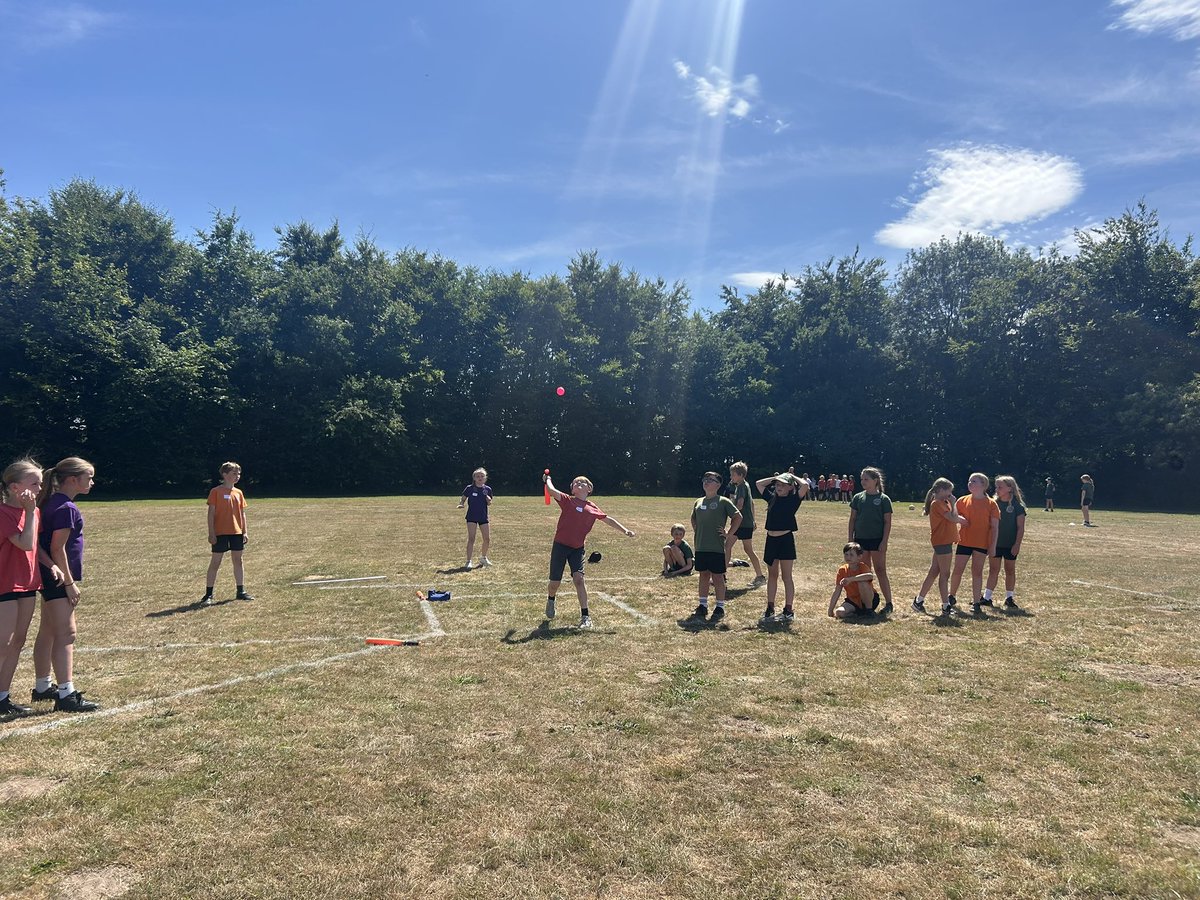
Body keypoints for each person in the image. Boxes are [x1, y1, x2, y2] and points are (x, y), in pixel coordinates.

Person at [31, 457, 100, 713]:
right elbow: (57, 548)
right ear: (73, 479)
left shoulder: (52, 502)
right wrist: (69, 583)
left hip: (48, 575)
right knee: (66, 633)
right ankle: (66, 694)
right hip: (58, 577)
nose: (92, 482)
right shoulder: (66, 507)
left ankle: (42, 686)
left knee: (48, 630)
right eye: (89, 477)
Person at [542, 473, 634, 628]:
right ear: (572, 489)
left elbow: (608, 520)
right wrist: (548, 480)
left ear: (589, 489)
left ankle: (585, 617)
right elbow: (551, 491)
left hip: (577, 548)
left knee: (579, 579)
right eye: (575, 482)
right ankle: (551, 598)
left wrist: (625, 530)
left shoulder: (592, 508)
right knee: (554, 583)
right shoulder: (567, 500)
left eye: (583, 482)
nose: (579, 483)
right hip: (560, 546)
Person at [0, 459, 43, 718]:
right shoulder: (4, 513)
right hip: (4, 584)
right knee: (3, 643)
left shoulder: (34, 512)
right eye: (34, 483)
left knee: (17, 642)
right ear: (15, 488)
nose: (39, 488)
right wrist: (29, 512)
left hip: (27, 582)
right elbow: (25, 543)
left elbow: (36, 547)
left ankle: (3, 696)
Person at [688, 472, 741, 624]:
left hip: (716, 547)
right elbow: (693, 518)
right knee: (703, 575)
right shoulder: (698, 501)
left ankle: (719, 607)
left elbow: (738, 517)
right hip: (701, 546)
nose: (706, 482)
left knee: (718, 577)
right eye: (705, 479)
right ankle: (703, 605)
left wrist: (729, 533)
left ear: (718, 485)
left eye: (710, 480)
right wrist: (697, 529)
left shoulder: (723, 501)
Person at [754, 471, 807, 621]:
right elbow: (758, 483)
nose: (779, 487)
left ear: (790, 487)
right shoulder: (771, 497)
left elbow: (805, 485)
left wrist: (791, 476)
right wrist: (775, 478)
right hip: (771, 540)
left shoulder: (794, 499)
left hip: (785, 540)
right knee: (772, 575)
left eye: (783, 485)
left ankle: (788, 609)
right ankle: (770, 607)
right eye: (777, 484)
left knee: (786, 576)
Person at [200, 462, 253, 606]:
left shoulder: (239, 493)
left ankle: (240, 591)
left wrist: (244, 531)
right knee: (215, 562)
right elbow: (211, 514)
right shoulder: (216, 491)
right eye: (234, 473)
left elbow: (242, 513)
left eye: (238, 474)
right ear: (225, 474)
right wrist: (212, 533)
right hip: (220, 533)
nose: (237, 476)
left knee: (238, 561)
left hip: (236, 532)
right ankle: (208, 594)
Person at [947, 473, 1000, 616]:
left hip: (981, 543)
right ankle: (951, 596)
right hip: (964, 541)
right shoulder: (962, 500)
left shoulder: (991, 504)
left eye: (974, 481)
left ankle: (976, 603)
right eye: (969, 481)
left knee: (977, 572)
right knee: (957, 570)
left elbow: (995, 527)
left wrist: (992, 546)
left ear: (983, 485)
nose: (970, 483)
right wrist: (959, 519)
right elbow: (952, 516)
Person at [913, 477, 967, 614]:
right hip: (942, 541)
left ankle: (918, 601)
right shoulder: (937, 503)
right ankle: (945, 605)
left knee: (934, 572)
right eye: (949, 491)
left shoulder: (942, 502)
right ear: (941, 490)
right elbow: (952, 518)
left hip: (943, 541)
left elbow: (953, 517)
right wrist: (954, 504)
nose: (951, 494)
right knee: (945, 574)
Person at [848, 467, 894, 614]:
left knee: (880, 570)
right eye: (862, 479)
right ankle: (866, 602)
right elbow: (852, 519)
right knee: (864, 571)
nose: (863, 482)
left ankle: (889, 603)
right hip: (860, 540)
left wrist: (884, 541)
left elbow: (887, 522)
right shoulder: (858, 498)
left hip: (877, 540)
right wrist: (850, 539)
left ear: (875, 481)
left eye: (866, 479)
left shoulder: (884, 499)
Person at [985, 476, 1026, 610]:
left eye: (1000, 487)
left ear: (1010, 488)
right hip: (995, 543)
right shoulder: (993, 504)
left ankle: (1009, 598)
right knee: (993, 570)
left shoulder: (1017, 506)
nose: (997, 489)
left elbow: (1020, 528)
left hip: (1010, 544)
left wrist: (1017, 545)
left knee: (1010, 570)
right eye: (996, 487)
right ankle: (987, 597)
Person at [723, 462, 764, 583]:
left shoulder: (741, 487)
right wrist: (753, 520)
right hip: (745, 523)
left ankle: (722, 575)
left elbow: (740, 505)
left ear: (741, 475)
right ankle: (760, 576)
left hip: (741, 523)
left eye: (733, 475)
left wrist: (730, 512)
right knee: (745, 549)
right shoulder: (744, 485)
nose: (731, 477)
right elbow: (752, 503)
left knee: (728, 546)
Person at [827, 542, 879, 619]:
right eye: (846, 554)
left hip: (870, 599)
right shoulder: (842, 570)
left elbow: (870, 576)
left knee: (862, 582)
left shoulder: (862, 566)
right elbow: (837, 590)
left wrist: (851, 579)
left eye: (851, 555)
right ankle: (858, 614)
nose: (848, 557)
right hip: (853, 601)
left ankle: (869, 610)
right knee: (839, 612)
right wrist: (830, 609)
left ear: (859, 556)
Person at [457, 467, 493, 569]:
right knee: (471, 538)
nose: (480, 478)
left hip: (483, 517)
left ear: (485, 478)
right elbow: (463, 498)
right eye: (478, 476)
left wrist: (488, 500)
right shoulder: (469, 488)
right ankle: (468, 561)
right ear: (474, 478)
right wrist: (461, 504)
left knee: (487, 539)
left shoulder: (488, 489)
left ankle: (483, 558)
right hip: (471, 516)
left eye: (482, 476)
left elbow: (489, 503)